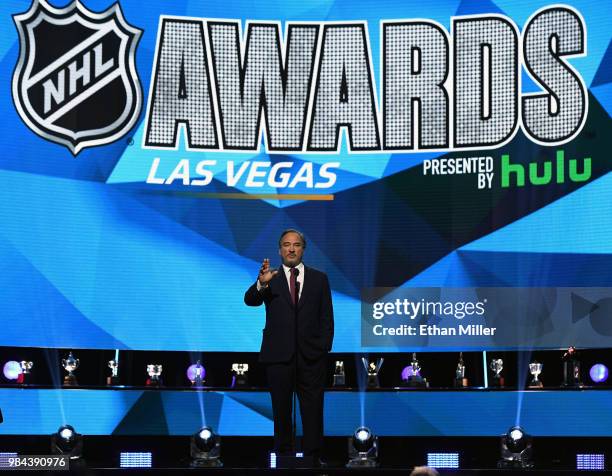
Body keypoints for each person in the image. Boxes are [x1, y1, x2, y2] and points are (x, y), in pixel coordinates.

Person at [244, 229, 334, 463]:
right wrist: (261, 284)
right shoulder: (270, 278)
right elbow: (250, 300)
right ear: (279, 250)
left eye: (296, 245)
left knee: (313, 411)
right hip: (278, 356)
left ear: (303, 249)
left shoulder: (319, 278)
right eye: (286, 245)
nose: (291, 249)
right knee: (281, 411)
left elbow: (327, 318)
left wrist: (323, 348)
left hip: (311, 357)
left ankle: (314, 458)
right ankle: (283, 458)